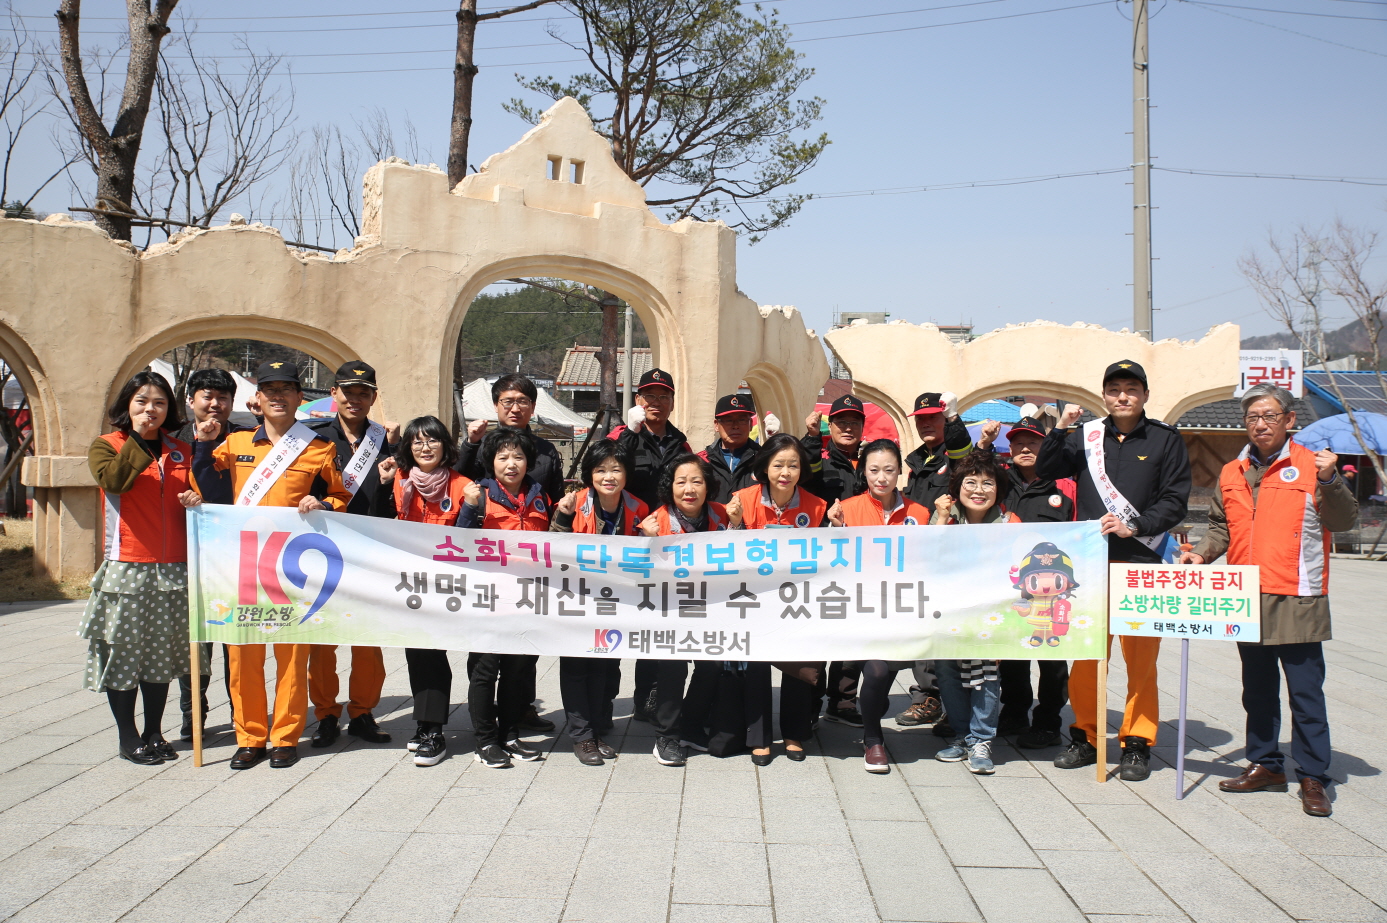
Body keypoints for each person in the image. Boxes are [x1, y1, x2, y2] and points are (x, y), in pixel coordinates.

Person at [1182, 384, 1356, 817]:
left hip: (1298, 594)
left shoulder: (1314, 466)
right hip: (1246, 596)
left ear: (1289, 420)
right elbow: (1222, 527)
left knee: (1305, 693)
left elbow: (1343, 521)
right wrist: (1200, 554)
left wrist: (1331, 479)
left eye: (1269, 416)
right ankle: (1265, 765)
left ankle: (1313, 775)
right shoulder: (1231, 471)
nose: (1260, 424)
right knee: (1257, 691)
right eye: (1252, 417)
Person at [191, 361, 353, 770]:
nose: (278, 395)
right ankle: (250, 737)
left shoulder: (319, 448)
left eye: (286, 388)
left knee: (292, 656)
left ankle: (285, 737)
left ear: (300, 397)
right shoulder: (234, 443)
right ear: (258, 398)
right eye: (270, 389)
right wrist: (203, 446)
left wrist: (323, 503)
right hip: (241, 565)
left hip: (293, 568)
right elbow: (206, 489)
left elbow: (340, 496)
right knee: (242, 655)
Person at [1035, 360, 1192, 782]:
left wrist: (1135, 525)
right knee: (1087, 655)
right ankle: (1085, 736)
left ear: (1145, 394)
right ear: (1103, 395)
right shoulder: (1086, 436)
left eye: (1131, 389)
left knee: (1141, 660)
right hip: (1092, 566)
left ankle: (1137, 742)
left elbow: (1175, 499)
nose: (1123, 396)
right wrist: (1060, 428)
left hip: (1142, 564)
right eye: (1114, 389)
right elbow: (1046, 470)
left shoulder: (1165, 439)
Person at [81, 371, 204, 765]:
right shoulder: (107, 445)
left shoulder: (181, 450)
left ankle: (154, 732)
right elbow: (115, 482)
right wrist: (137, 437)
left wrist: (194, 497)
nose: (151, 409)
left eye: (159, 403)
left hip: (175, 568)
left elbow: (199, 494)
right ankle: (127, 737)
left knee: (161, 656)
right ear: (127, 406)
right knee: (124, 655)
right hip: (128, 566)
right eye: (142, 402)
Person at [456, 374, 564, 734]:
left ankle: (520, 711)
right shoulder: (482, 445)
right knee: (486, 660)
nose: (515, 408)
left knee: (524, 654)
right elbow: (461, 485)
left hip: (531, 571)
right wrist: (470, 445)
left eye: (522, 401)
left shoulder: (546, 451)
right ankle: (486, 723)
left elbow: (552, 501)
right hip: (490, 576)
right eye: (508, 401)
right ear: (496, 405)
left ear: (533, 406)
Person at [305, 362, 399, 749]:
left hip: (370, 552)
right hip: (324, 549)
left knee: (368, 640)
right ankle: (326, 714)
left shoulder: (385, 441)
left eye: (363, 393)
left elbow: (392, 500)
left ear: (373, 397)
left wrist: (391, 482)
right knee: (322, 639)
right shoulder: (312, 437)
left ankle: (362, 712)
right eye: (348, 392)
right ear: (334, 393)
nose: (355, 399)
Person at [374, 415, 473, 767]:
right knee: (419, 654)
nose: (425, 447)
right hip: (410, 583)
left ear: (445, 446)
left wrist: (471, 506)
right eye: (417, 441)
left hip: (448, 585)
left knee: (435, 654)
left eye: (432, 440)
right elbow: (376, 522)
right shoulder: (399, 479)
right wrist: (383, 486)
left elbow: (469, 539)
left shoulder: (463, 485)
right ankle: (426, 726)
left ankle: (437, 730)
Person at [826, 438, 931, 773]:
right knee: (876, 670)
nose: (881, 477)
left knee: (883, 677)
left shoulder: (919, 513)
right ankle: (873, 740)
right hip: (860, 610)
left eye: (889, 469)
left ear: (900, 472)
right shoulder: (847, 509)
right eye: (874, 470)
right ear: (864, 472)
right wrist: (835, 529)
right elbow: (831, 561)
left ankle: (873, 711)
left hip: (900, 612)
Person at [456, 426, 552, 769]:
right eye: (503, 457)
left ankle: (510, 734)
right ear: (491, 462)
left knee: (517, 671)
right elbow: (459, 543)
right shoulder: (478, 495)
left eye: (518, 457)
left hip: (527, 599)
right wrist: (469, 508)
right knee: (485, 671)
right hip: (488, 599)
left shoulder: (540, 497)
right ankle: (485, 740)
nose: (511, 464)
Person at [729, 433, 828, 765]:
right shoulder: (742, 500)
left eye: (793, 465)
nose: (786, 472)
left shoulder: (817, 506)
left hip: (796, 598)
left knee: (796, 664)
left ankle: (794, 733)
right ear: (764, 467)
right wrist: (734, 524)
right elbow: (725, 552)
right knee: (755, 666)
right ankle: (758, 737)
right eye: (778, 465)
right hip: (754, 597)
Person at [896, 392, 991, 736]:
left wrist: (953, 421)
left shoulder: (952, 456)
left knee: (950, 633)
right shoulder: (917, 460)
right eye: (920, 419)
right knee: (925, 629)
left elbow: (963, 455)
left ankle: (951, 704)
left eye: (932, 417)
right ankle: (929, 696)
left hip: (951, 556)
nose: (925, 424)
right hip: (921, 555)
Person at [550, 440, 649, 765]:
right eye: (600, 470)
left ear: (626, 474)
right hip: (577, 601)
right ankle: (582, 736)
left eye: (616, 469)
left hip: (616, 603)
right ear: (590, 474)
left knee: (605, 667)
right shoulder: (574, 503)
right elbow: (552, 548)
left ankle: (597, 729)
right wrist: (563, 516)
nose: (609, 477)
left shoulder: (639, 508)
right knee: (577, 667)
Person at [928, 452, 1021, 775]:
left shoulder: (1010, 523)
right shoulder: (945, 516)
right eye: (971, 482)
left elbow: (1017, 572)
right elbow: (925, 556)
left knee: (986, 674)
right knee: (947, 671)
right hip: (947, 611)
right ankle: (960, 735)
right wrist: (941, 519)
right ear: (958, 487)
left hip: (990, 614)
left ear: (998, 489)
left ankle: (981, 740)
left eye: (987, 483)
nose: (979, 490)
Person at [637, 454, 731, 767]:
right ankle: (666, 735)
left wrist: (737, 525)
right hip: (669, 609)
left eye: (696, 481)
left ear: (708, 486)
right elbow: (636, 572)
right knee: (673, 669)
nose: (689, 489)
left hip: (710, 607)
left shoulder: (722, 515)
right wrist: (647, 541)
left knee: (712, 666)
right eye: (681, 482)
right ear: (670, 487)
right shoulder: (655, 521)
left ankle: (691, 725)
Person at [612, 368, 692, 722]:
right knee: (633, 621)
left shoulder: (680, 442)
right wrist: (631, 433)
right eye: (649, 396)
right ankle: (633, 697)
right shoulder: (622, 435)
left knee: (665, 620)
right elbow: (609, 467)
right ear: (637, 400)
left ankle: (659, 697)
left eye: (663, 396)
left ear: (672, 402)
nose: (656, 402)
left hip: (671, 544)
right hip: (632, 541)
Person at [995, 413, 1076, 749]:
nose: (1025, 448)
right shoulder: (999, 483)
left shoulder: (1065, 487)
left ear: (1046, 447)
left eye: (1033, 442)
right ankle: (1014, 712)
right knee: (1011, 654)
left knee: (1053, 658)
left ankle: (1048, 722)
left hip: (1051, 591)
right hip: (1008, 586)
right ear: (1010, 448)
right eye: (1018, 443)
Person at [172, 368, 241, 742]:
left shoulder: (245, 439)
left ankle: (241, 712)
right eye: (207, 396)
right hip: (189, 554)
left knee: (236, 638)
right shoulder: (173, 441)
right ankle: (192, 713)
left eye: (222, 398)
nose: (215, 404)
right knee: (196, 642)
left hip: (234, 555)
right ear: (191, 399)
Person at [802, 394, 870, 728]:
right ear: (832, 425)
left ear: (862, 426)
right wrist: (812, 439)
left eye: (854, 421)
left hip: (862, 561)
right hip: (823, 560)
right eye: (841, 421)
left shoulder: (871, 460)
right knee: (819, 631)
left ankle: (843, 702)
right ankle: (810, 702)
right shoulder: (821, 457)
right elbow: (807, 477)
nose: (848, 427)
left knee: (853, 633)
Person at [698, 393, 760, 503]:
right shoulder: (702, 461)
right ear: (716, 425)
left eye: (742, 420)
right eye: (728, 420)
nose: (735, 426)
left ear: (750, 424)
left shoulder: (762, 459)